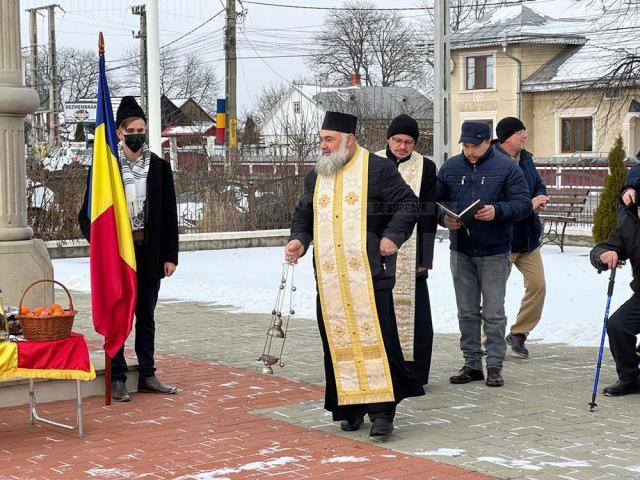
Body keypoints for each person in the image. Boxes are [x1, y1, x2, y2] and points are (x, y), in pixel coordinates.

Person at [285, 111, 424, 437]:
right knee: (336, 342)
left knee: (379, 342)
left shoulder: (377, 169)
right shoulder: (316, 175)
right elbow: (303, 214)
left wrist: (392, 236)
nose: (322, 145)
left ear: (349, 140)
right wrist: (298, 240)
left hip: (370, 274)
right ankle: (349, 407)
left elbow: (408, 204)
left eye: (328, 139)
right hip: (331, 279)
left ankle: (382, 414)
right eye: (321, 139)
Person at [79, 96, 179, 402]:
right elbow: (88, 215)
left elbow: (170, 216)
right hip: (119, 255)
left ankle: (147, 373)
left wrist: (170, 256)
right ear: (119, 132)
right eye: (132, 129)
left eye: (142, 129)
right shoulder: (105, 169)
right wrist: (102, 248)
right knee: (119, 312)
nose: (138, 134)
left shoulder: (160, 168)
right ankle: (118, 375)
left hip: (149, 253)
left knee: (145, 315)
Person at [437, 121, 531, 387]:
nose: (469, 151)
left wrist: (497, 211)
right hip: (461, 250)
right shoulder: (451, 167)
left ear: (488, 142)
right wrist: (444, 219)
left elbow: (523, 204)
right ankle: (471, 363)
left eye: (474, 145)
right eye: (465, 145)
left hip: (494, 250)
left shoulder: (507, 167)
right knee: (466, 311)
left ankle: (494, 366)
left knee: (493, 312)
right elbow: (435, 201)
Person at [375, 114, 437, 385]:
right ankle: (380, 366)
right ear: (388, 139)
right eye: (397, 140)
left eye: (408, 142)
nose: (402, 146)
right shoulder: (371, 161)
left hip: (412, 253)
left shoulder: (426, 167)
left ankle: (414, 374)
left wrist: (424, 257)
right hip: (377, 246)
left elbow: (428, 214)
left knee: (417, 316)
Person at [494, 117, 549, 358]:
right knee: (495, 292)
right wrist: (529, 204)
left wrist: (541, 198)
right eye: (519, 132)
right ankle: (489, 340)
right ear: (506, 137)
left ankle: (519, 333)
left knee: (538, 286)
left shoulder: (526, 159)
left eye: (524, 131)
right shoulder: (492, 162)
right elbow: (498, 201)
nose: (524, 136)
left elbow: (539, 185)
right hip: (502, 239)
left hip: (528, 238)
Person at [590, 194, 640, 396]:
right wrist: (603, 255)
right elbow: (605, 247)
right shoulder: (630, 224)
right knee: (617, 326)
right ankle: (630, 377)